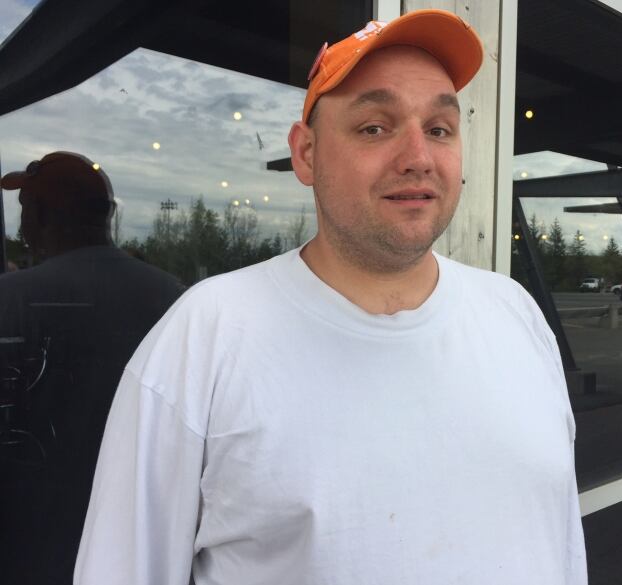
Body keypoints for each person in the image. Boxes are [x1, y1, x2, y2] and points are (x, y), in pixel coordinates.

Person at [75, 10, 587, 585]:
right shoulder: (206, 336)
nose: (418, 156)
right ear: (306, 154)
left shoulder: (515, 315)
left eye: (439, 129)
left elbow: (562, 546)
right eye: (375, 126)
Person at [0, 152, 184, 584]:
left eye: (24, 211)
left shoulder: (11, 300)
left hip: (30, 547)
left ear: (42, 216)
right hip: (141, 549)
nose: (21, 228)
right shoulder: (173, 298)